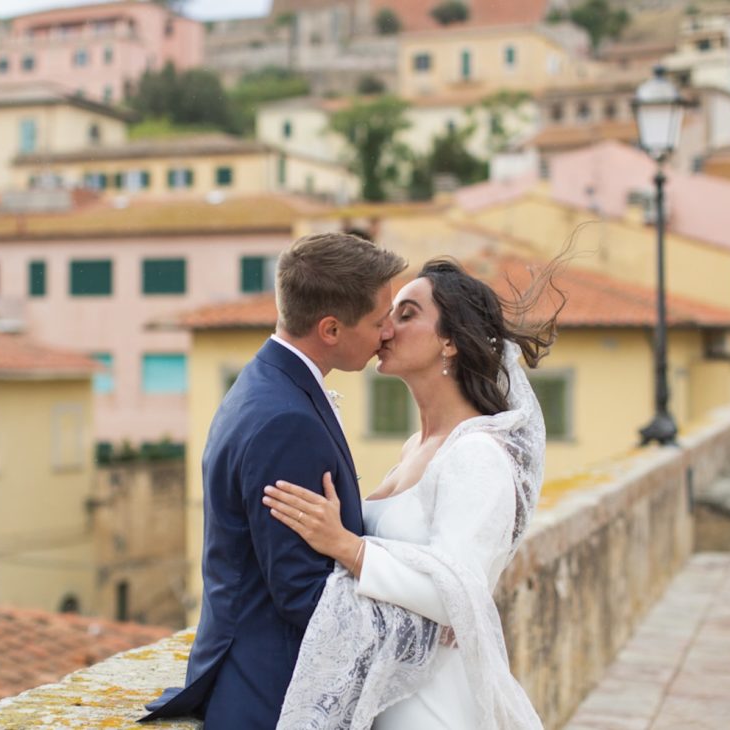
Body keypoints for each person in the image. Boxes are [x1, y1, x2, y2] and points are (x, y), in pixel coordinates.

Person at [261, 257, 560, 729]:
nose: (385, 330)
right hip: (390, 690)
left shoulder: (477, 454)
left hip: (432, 704)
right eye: (387, 316)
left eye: (406, 315)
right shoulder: (415, 447)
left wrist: (347, 546)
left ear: (450, 341)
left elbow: (458, 597)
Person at [140, 232, 407, 729]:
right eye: (378, 320)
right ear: (330, 328)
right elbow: (303, 593)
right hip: (270, 696)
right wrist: (420, 625)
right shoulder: (288, 422)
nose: (387, 332)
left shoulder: (263, 383)